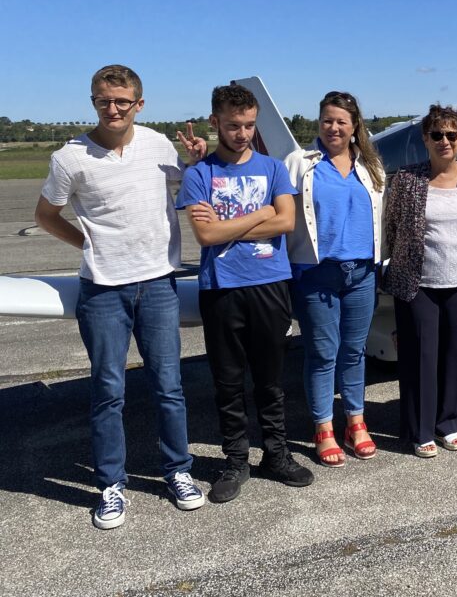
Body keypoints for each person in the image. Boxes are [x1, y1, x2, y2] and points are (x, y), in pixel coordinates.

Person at [35, 64, 207, 529]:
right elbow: (47, 214)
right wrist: (85, 244)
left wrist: (195, 161)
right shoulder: (68, 158)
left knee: (169, 387)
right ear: (93, 101)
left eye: (121, 101)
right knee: (108, 391)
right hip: (103, 289)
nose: (112, 108)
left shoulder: (158, 146)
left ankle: (178, 471)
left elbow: (190, 185)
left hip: (158, 285)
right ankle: (111, 484)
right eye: (102, 100)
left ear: (139, 104)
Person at [177, 82, 313, 502]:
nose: (243, 134)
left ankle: (276, 454)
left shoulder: (273, 169)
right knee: (228, 382)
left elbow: (287, 223)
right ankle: (235, 461)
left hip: (269, 285)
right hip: (222, 288)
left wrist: (228, 228)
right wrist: (261, 213)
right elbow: (205, 235)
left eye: (250, 126)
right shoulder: (200, 174)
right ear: (215, 122)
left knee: (271, 380)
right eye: (234, 126)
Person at [284, 91, 385, 466]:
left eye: (342, 121)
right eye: (327, 120)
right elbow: (283, 216)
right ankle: (323, 426)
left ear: (355, 125)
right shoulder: (301, 163)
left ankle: (356, 422)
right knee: (323, 353)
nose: (334, 127)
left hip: (361, 273)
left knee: (354, 351)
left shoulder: (371, 166)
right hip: (317, 274)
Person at [383, 105, 457, 458]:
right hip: (418, 282)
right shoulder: (407, 179)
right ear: (425, 139)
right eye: (437, 135)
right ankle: (420, 428)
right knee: (420, 356)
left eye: (452, 135)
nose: (445, 141)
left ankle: (451, 422)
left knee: (455, 353)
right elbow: (391, 228)